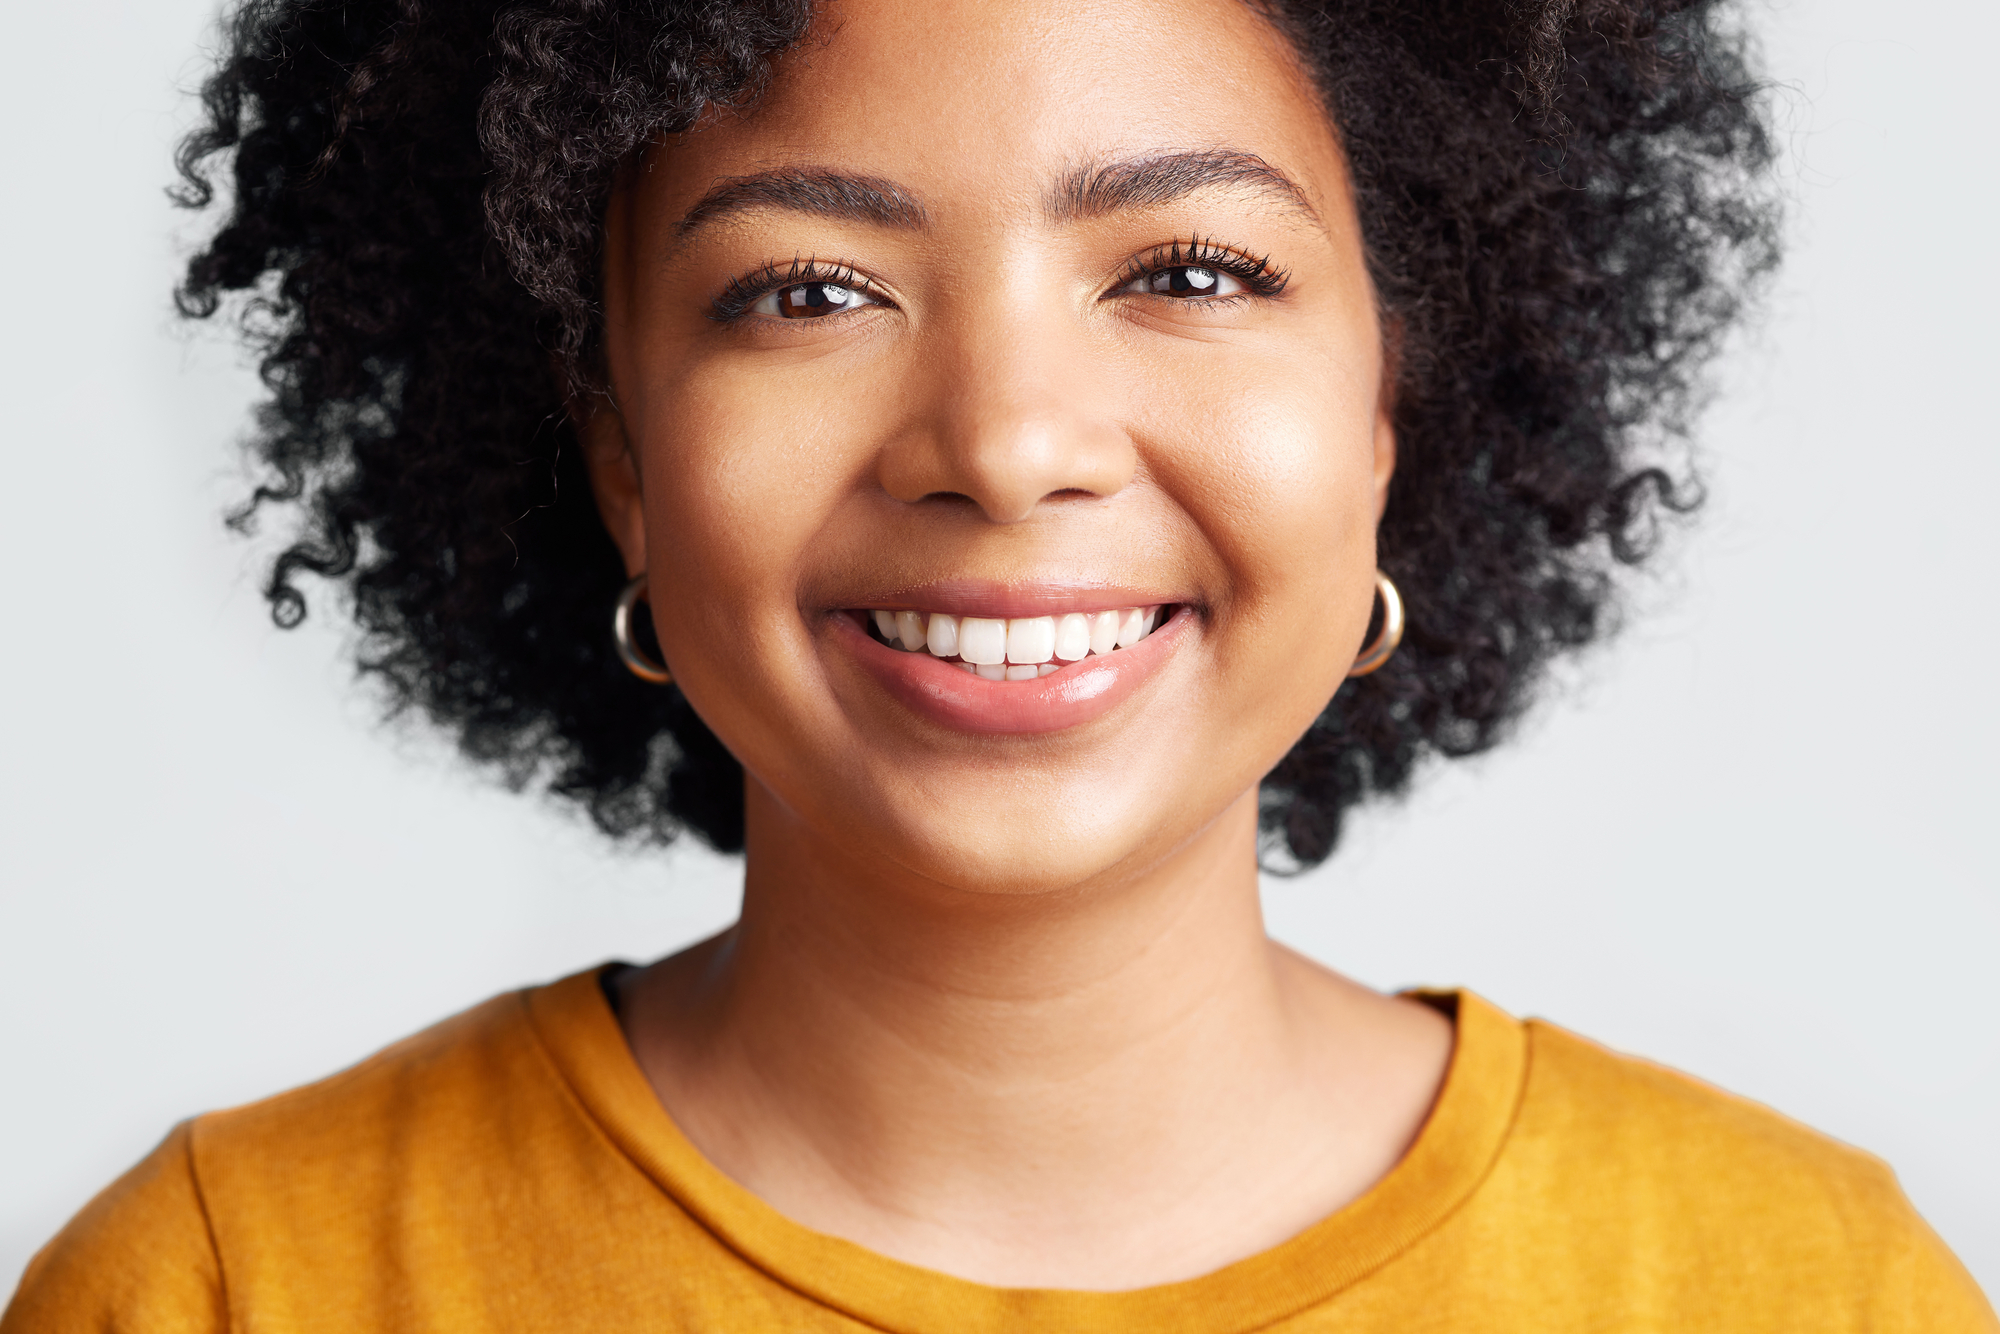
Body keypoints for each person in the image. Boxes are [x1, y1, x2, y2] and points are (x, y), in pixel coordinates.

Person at [7, 0, 1994, 1327]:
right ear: (618, 454)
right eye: (804, 290)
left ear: (1398, 406)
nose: (1005, 439)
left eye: (1188, 272)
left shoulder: (1803, 1290)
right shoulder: (235, 1289)